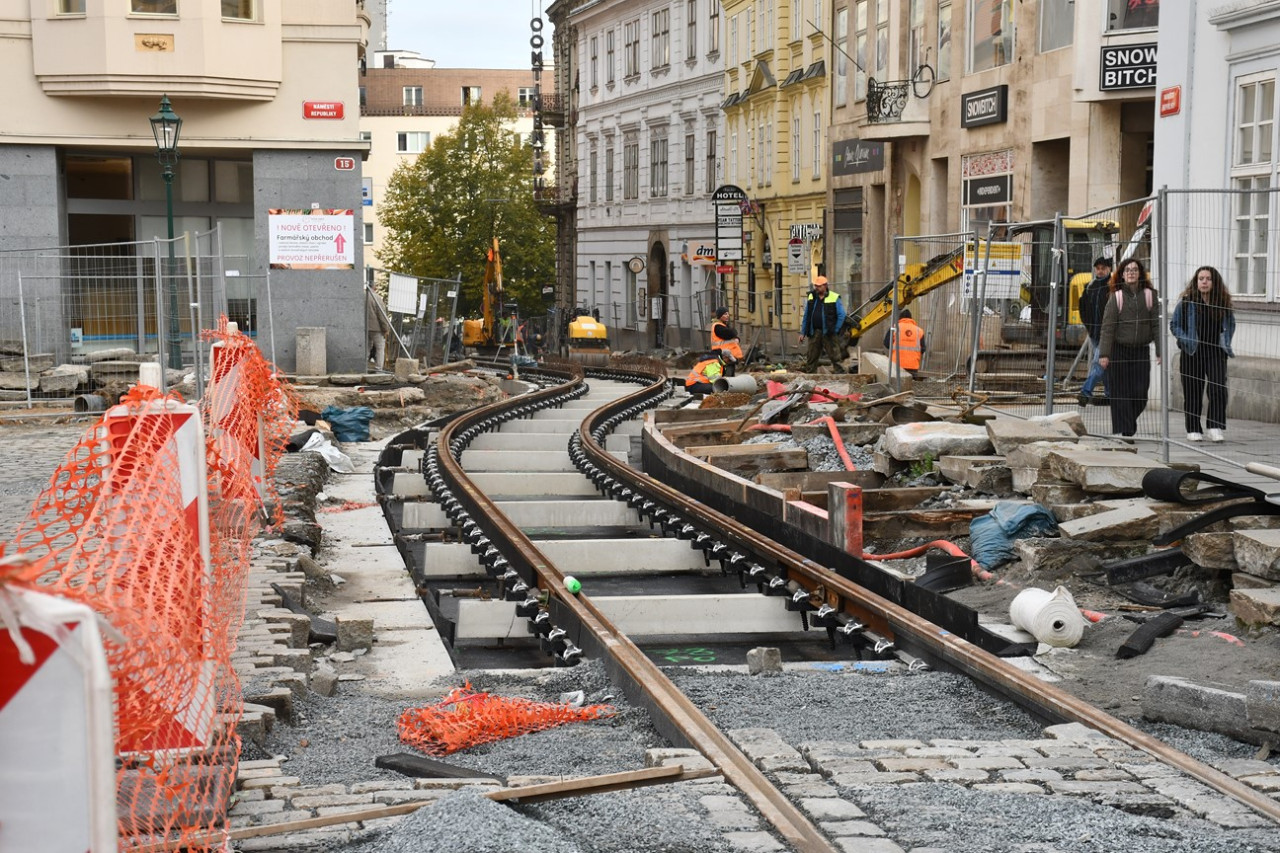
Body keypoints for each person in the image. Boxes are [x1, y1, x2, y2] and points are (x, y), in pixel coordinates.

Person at [1170, 265, 1235, 443]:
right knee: (1193, 391)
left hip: (1215, 352)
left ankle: (1215, 427)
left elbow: (1230, 325)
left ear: (1214, 282)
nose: (1204, 282)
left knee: (1218, 388)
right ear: (1196, 282)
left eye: (1208, 279)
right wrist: (1185, 340)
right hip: (1192, 352)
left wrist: (1226, 342)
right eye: (1201, 279)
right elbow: (1174, 325)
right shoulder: (1186, 302)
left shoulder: (1222, 303)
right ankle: (1193, 428)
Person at [1098, 257, 1161, 437]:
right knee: (1120, 391)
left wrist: (1160, 350)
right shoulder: (1116, 297)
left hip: (1140, 350)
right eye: (1127, 270)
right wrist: (1104, 354)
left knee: (1140, 393)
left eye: (1134, 269)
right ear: (1122, 275)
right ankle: (1124, 431)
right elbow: (1107, 327)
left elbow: (1156, 324)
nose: (1131, 273)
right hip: (1119, 350)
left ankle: (1127, 423)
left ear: (1140, 273)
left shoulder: (1149, 295)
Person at [1078, 256, 1113, 407]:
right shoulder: (1089, 287)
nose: (1100, 271)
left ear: (1109, 269)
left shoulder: (1114, 287)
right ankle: (1110, 395)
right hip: (1095, 333)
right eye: (1098, 268)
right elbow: (1083, 309)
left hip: (1108, 333)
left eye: (1103, 268)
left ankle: (1085, 392)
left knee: (1098, 362)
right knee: (1105, 364)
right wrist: (1089, 327)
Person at [798, 276, 846, 373]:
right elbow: (806, 315)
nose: (817, 288)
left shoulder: (834, 297)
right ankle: (810, 375)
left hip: (829, 332)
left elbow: (841, 315)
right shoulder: (812, 296)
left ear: (825, 286)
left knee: (835, 355)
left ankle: (840, 375)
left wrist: (835, 329)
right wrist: (802, 332)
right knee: (812, 356)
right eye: (816, 286)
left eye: (819, 286)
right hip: (814, 332)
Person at [883, 308, 926, 376]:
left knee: (895, 385)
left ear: (900, 318)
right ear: (911, 319)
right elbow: (923, 349)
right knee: (911, 385)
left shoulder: (894, 328)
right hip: (913, 365)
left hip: (896, 365)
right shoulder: (919, 330)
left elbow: (886, 343)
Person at [365, 287, 392, 369]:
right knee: (380, 348)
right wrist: (385, 328)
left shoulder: (360, 297)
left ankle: (363, 367)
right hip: (376, 328)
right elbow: (381, 314)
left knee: (366, 347)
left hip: (364, 327)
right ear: (374, 288)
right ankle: (379, 368)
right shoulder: (376, 297)